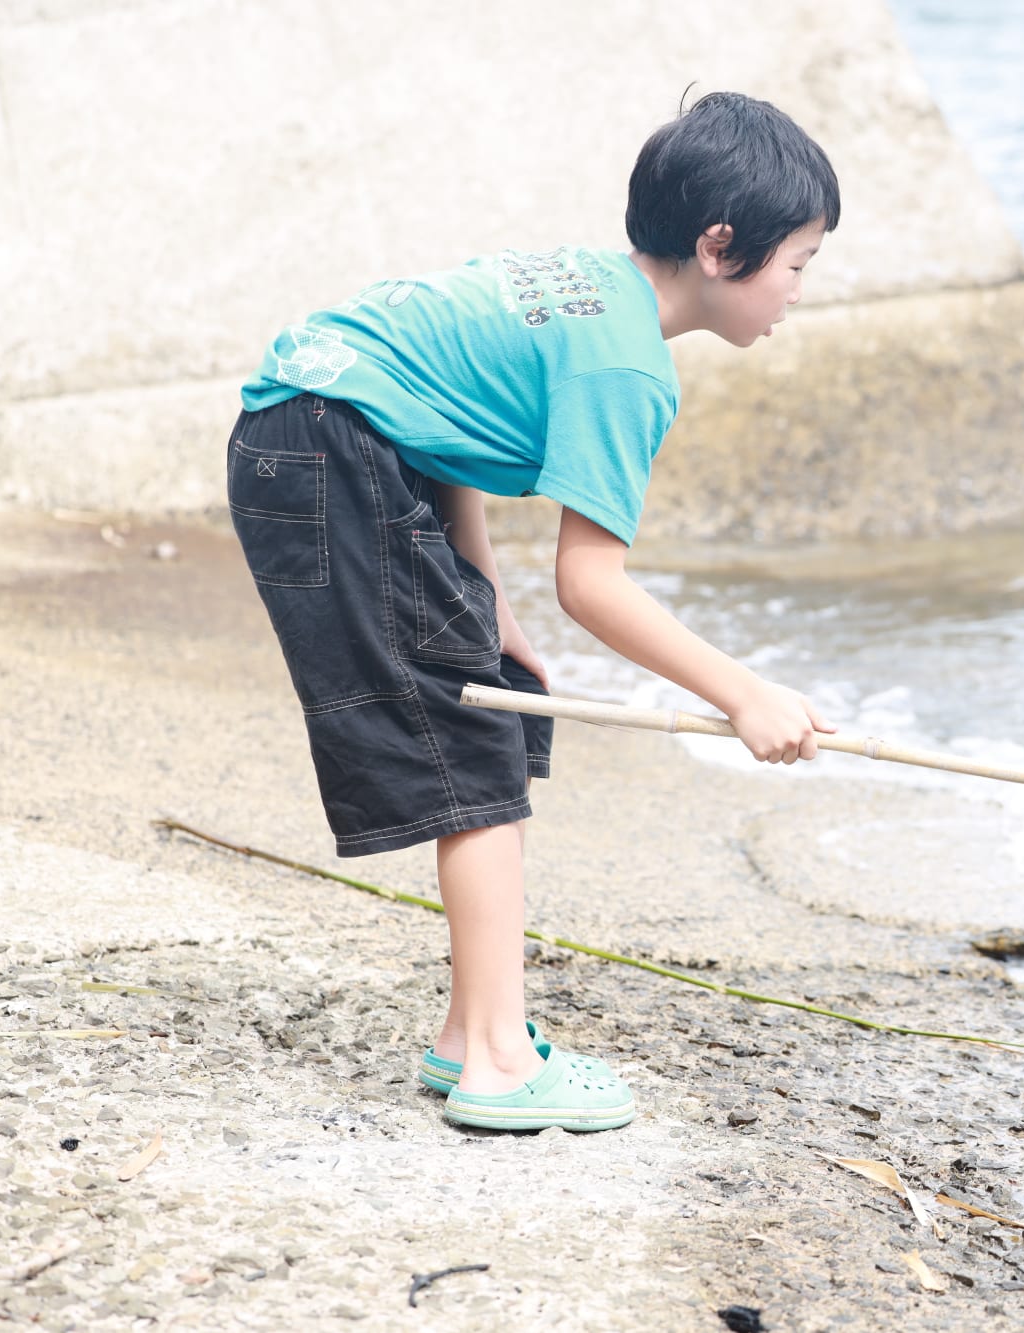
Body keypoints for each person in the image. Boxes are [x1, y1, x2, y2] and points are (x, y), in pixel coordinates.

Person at [225, 92, 840, 1133]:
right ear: (721, 245)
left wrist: (483, 599)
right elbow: (593, 584)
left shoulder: (585, 286)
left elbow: (435, 425)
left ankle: (471, 1032)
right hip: (327, 447)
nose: (797, 293)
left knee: (490, 707)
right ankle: (502, 1064)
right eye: (797, 264)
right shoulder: (626, 365)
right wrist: (744, 695)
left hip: (316, 430)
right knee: (467, 751)